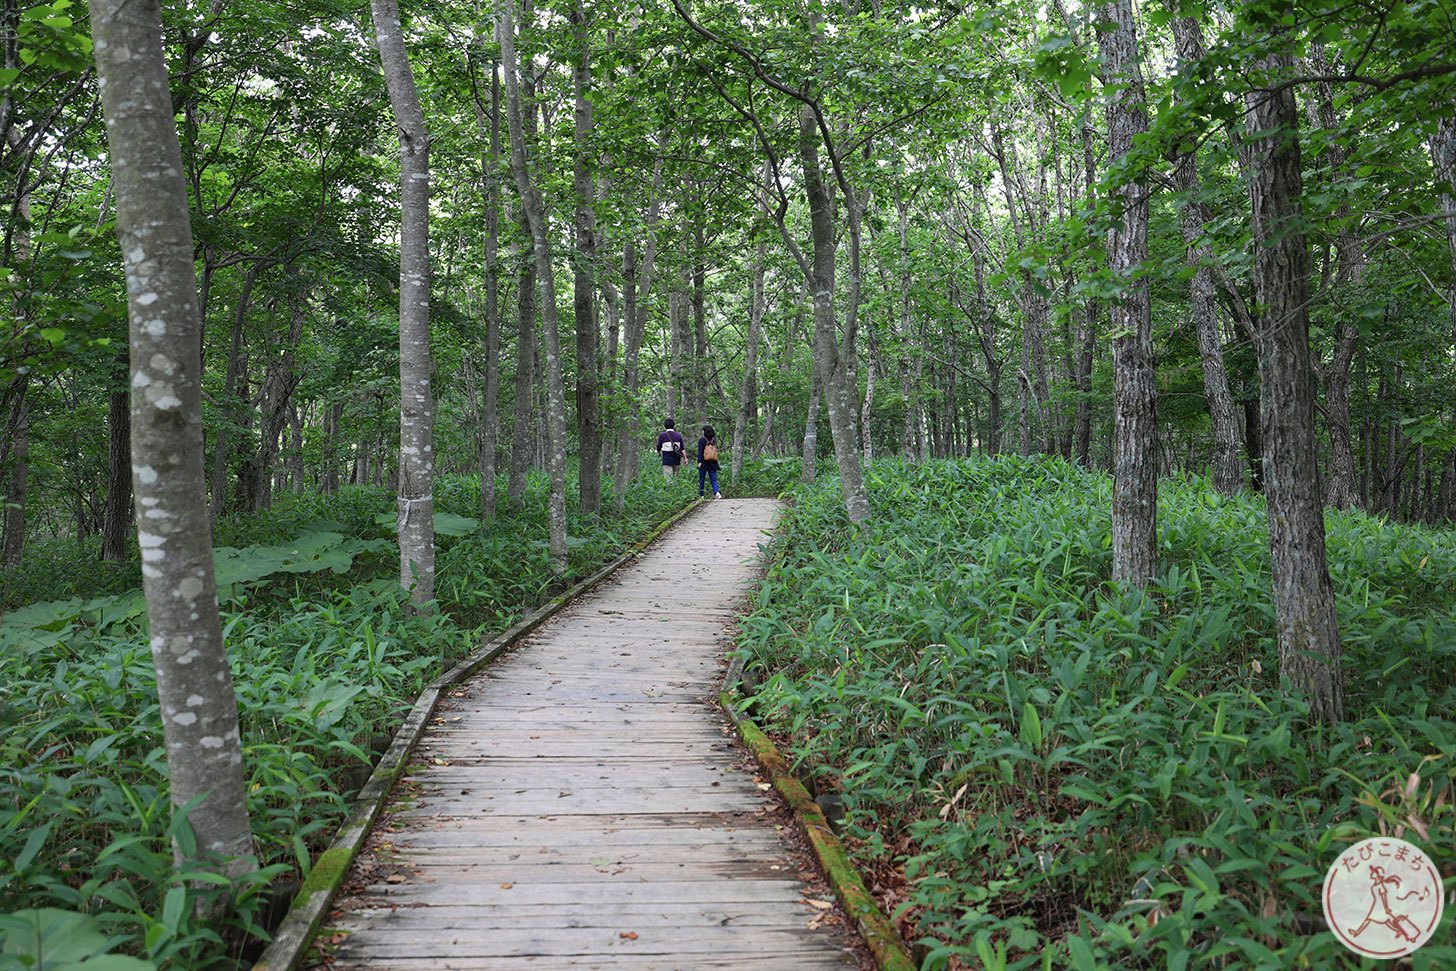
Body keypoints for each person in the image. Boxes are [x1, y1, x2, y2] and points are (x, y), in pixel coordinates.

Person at [697, 425, 722, 499]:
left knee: (702, 479)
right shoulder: (713, 440)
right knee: (713, 479)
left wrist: (699, 461)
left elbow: (700, 452)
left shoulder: (702, 440)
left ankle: (701, 495)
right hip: (713, 462)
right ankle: (716, 492)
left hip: (704, 463)